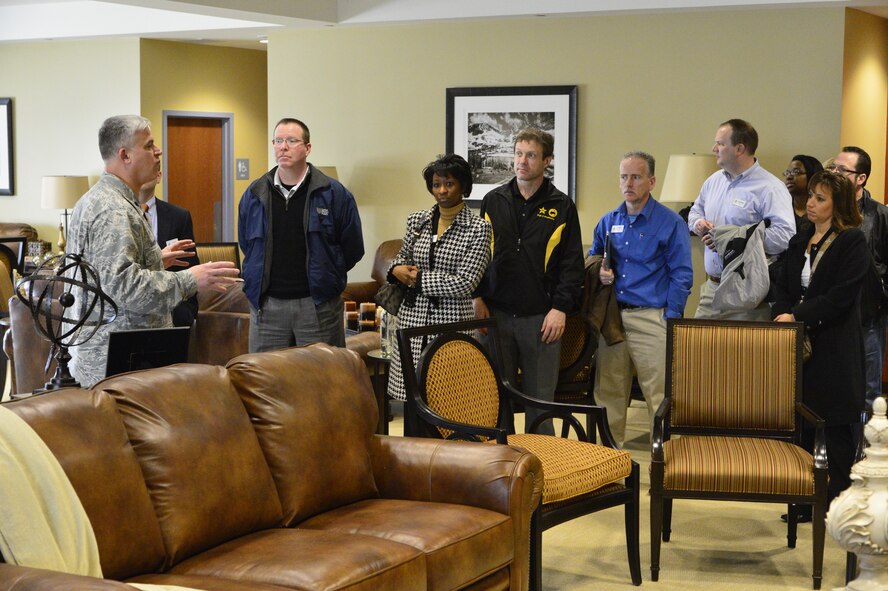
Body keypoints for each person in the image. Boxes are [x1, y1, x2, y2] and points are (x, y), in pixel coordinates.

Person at [66, 114, 239, 388]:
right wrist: (190, 279)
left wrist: (155, 260)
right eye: (148, 145)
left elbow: (105, 274)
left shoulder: (106, 200)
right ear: (125, 155)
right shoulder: (113, 209)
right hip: (117, 368)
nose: (158, 152)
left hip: (120, 361)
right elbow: (125, 287)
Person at [474, 128, 584, 435]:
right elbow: (480, 254)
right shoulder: (492, 200)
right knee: (496, 402)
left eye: (531, 155)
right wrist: (477, 297)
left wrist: (560, 308)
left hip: (540, 319)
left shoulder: (561, 206)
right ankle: (502, 476)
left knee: (540, 407)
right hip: (495, 316)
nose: (523, 161)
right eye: (519, 154)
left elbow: (572, 265)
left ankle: (543, 475)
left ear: (547, 160)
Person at [772, 170, 868, 506]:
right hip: (798, 343)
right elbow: (781, 284)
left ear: (838, 204)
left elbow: (841, 297)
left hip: (834, 344)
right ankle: (804, 499)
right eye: (810, 196)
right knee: (803, 422)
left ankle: (837, 501)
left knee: (835, 426)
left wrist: (797, 315)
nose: (810, 203)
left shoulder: (852, 241)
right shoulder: (801, 238)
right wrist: (784, 312)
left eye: (820, 198)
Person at [590, 151, 693, 447]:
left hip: (651, 316)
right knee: (609, 393)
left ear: (651, 181)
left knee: (658, 394)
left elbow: (682, 274)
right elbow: (592, 259)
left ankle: (663, 463)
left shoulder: (669, 223)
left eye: (635, 177)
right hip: (613, 319)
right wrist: (601, 272)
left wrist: (670, 319)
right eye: (624, 177)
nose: (628, 183)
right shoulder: (609, 220)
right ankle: (607, 463)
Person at [238, 117, 364, 352]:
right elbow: (247, 244)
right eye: (278, 140)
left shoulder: (334, 194)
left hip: (317, 308)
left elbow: (352, 249)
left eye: (292, 141)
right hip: (267, 308)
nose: (283, 146)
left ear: (307, 148)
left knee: (321, 382)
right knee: (266, 383)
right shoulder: (254, 194)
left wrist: (328, 276)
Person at [386, 154, 491, 404]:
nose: (442, 190)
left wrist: (416, 277)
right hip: (412, 319)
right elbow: (401, 261)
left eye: (449, 184)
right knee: (413, 398)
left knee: (448, 400)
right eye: (436, 184)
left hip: (451, 322)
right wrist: (395, 269)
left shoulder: (478, 228)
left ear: (463, 186)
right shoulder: (417, 220)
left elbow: (466, 282)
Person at [687, 118, 795, 320]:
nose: (714, 148)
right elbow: (695, 212)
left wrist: (735, 240)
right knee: (696, 349)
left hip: (747, 292)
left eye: (720, 143)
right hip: (712, 288)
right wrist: (698, 224)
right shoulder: (713, 182)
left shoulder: (770, 188)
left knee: (742, 351)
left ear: (739, 149)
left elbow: (784, 237)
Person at [828, 146, 888, 409]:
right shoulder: (823, 211)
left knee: (868, 391)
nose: (835, 173)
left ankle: (865, 448)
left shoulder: (879, 215)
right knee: (830, 387)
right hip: (828, 314)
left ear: (860, 178)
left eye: (842, 170)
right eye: (832, 168)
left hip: (867, 316)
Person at [138, 170, 199, 327]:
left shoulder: (179, 216)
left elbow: (190, 266)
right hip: (133, 309)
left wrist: (187, 312)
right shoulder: (119, 216)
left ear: (158, 177)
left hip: (173, 310)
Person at [783, 154, 823, 232]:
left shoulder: (823, 211)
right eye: (787, 173)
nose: (789, 177)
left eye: (796, 172)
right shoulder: (782, 208)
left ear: (812, 175)